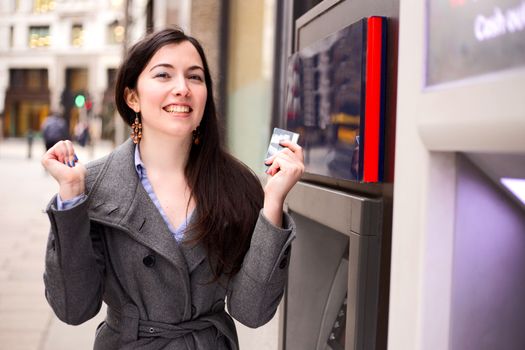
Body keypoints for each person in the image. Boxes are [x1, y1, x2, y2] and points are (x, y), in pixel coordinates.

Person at [41, 27, 304, 350]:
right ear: (132, 96)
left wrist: (273, 203)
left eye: (195, 77)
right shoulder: (93, 187)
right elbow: (73, 308)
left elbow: (251, 312)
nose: (182, 88)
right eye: (164, 75)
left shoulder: (237, 186)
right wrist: (70, 199)